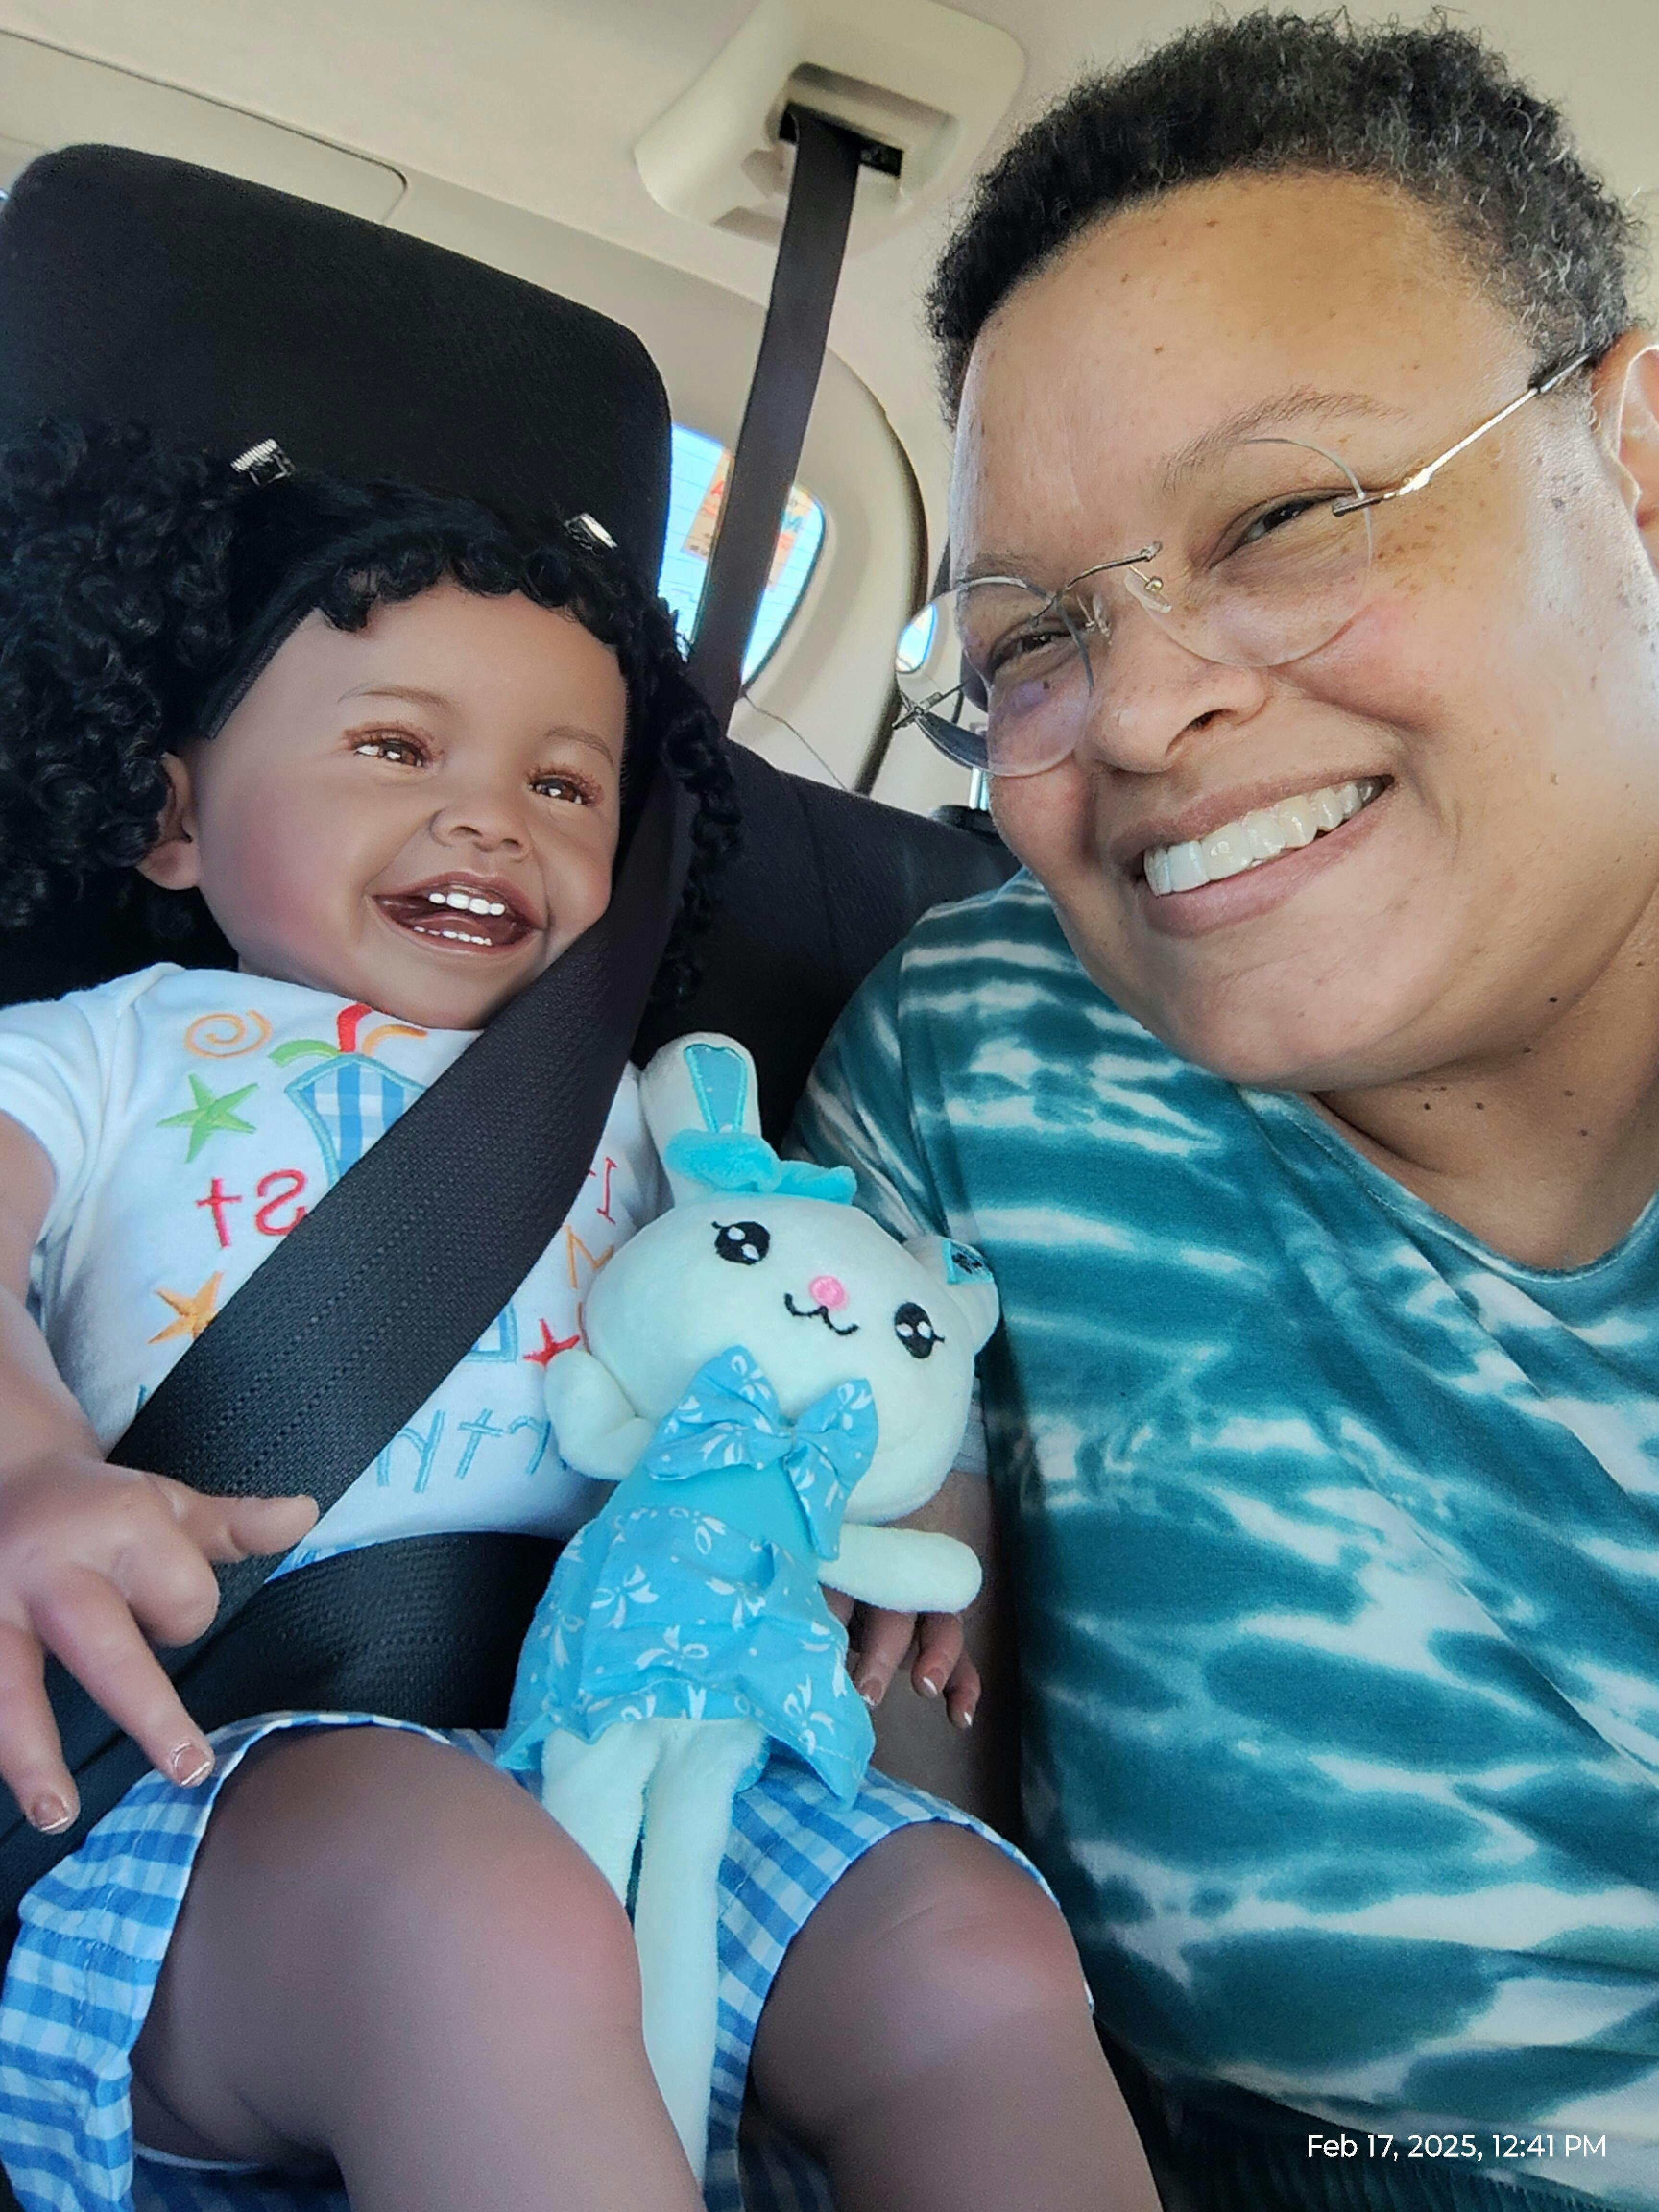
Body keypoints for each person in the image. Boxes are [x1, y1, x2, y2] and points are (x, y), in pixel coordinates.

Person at [0, 424, 1154, 2212]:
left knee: (963, 1942)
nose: (491, 817)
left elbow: (831, 1332)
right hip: (206, 1793)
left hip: (619, 1733)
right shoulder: (102, 1051)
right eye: (396, 748)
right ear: (173, 818)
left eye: (564, 785)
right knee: (480, 1908)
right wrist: (27, 1468)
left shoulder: (661, 1126)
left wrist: (892, 1484)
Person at [793, 13, 1659, 2209]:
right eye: (1028, 645)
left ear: (1637, 470)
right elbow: (883, 1913)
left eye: (1282, 517)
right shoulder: (967, 1075)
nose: (1142, 710)